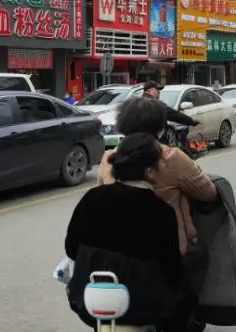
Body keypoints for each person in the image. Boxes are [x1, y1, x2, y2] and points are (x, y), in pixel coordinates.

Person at [65, 132, 184, 329]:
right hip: (140, 306)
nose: (164, 166)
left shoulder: (92, 198)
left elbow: (71, 248)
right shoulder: (160, 211)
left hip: (88, 299)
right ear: (149, 171)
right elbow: (171, 268)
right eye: (161, 162)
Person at [100, 97, 217, 256]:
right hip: (167, 256)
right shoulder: (171, 157)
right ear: (160, 127)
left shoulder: (108, 158)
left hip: (118, 254)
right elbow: (208, 193)